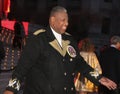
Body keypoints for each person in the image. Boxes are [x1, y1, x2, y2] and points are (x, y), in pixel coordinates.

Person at [4, 6, 117, 94]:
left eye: (67, 20)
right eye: (63, 20)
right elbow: (21, 69)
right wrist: (11, 89)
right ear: (52, 20)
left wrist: (99, 78)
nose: (66, 23)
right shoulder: (38, 39)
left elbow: (80, 63)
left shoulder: (70, 40)